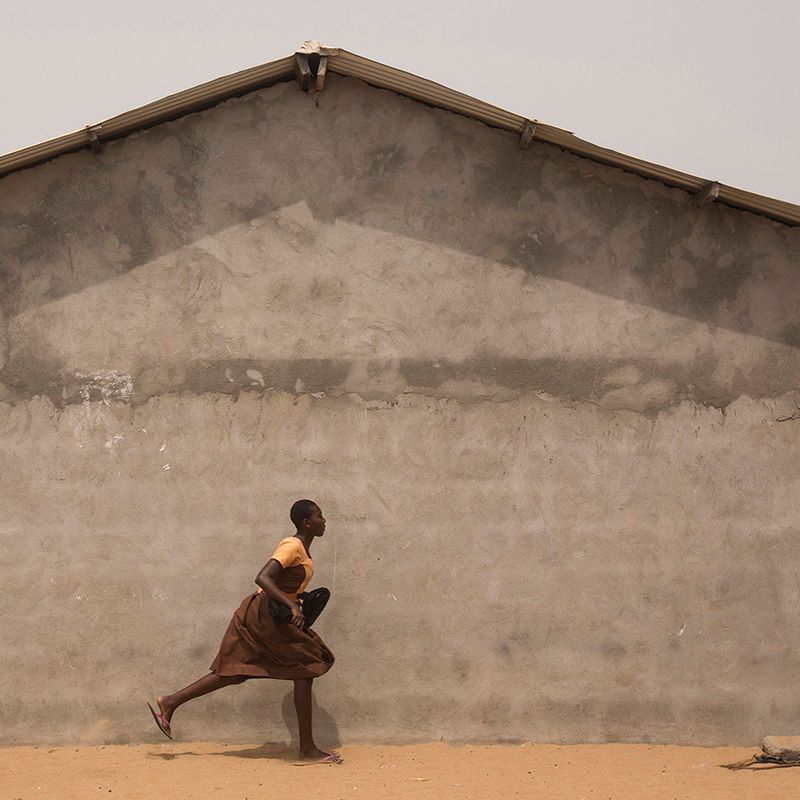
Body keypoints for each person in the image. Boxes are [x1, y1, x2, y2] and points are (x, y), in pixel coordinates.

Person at [147, 499, 340, 763]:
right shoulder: (292, 545)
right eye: (320, 516)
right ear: (307, 522)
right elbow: (262, 577)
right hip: (265, 616)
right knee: (306, 666)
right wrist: (291, 606)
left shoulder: (302, 550)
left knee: (237, 671)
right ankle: (306, 750)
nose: (324, 520)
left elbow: (282, 582)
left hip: (270, 614)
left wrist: (299, 596)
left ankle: (170, 702)